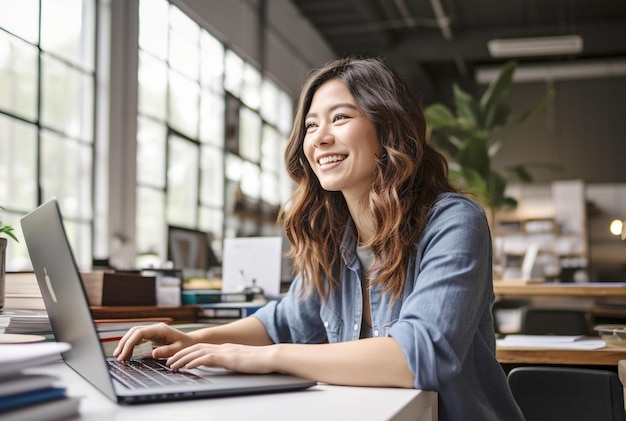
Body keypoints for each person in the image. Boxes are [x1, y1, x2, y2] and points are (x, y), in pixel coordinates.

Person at [114, 57, 524, 420]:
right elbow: (280, 322)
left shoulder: (453, 221)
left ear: (389, 128)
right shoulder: (334, 236)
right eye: (311, 125)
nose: (320, 138)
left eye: (340, 118)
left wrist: (261, 359)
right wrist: (194, 339)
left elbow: (416, 358)